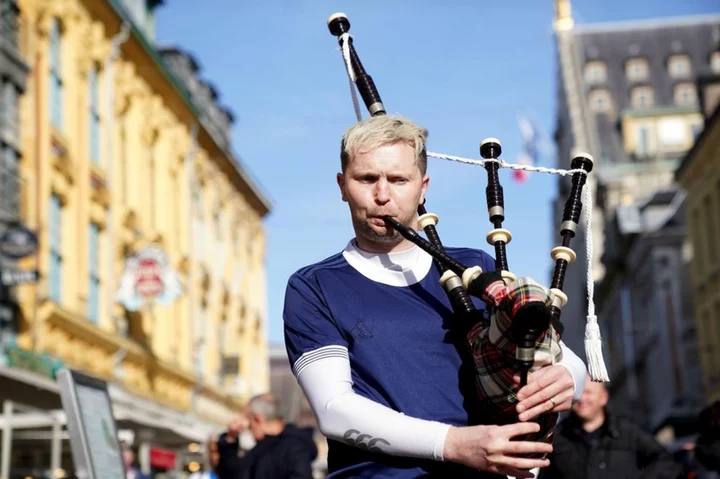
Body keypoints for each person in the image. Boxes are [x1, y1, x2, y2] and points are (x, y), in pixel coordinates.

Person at [282, 114, 588, 478]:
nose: (383, 195)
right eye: (367, 178)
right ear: (342, 185)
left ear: (423, 187)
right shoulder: (314, 287)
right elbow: (334, 409)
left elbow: (561, 357)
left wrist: (568, 377)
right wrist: (455, 444)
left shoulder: (474, 266)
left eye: (398, 179)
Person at [537, 376, 684, 479]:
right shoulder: (558, 437)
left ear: (604, 397)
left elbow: (665, 462)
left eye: (588, 392)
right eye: (578, 394)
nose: (582, 399)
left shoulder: (628, 432)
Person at [216, 393, 318, 479]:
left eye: (248, 420)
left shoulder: (294, 446)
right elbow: (234, 474)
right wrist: (230, 438)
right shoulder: (260, 448)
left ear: (258, 419)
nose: (247, 426)